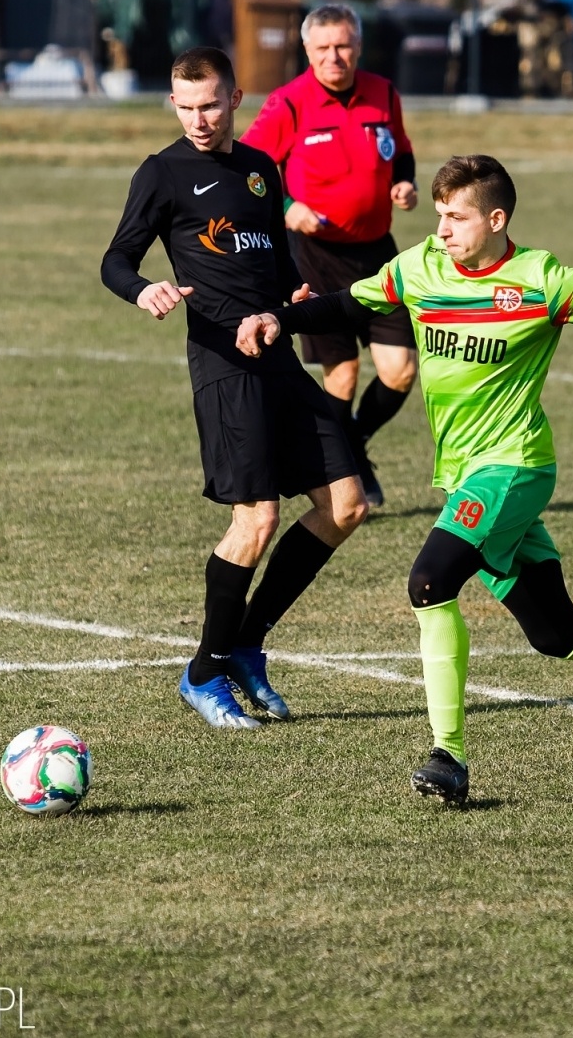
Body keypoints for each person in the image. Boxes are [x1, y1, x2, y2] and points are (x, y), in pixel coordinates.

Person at [235, 154, 573, 802]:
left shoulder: (544, 280)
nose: (442, 229)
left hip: (515, 467)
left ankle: (448, 756)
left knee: (429, 580)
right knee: (556, 632)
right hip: (465, 477)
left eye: (457, 217)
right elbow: (348, 304)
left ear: (496, 219)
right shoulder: (419, 269)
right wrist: (280, 318)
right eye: (438, 215)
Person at [101, 46, 367, 730]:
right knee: (256, 521)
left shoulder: (258, 169)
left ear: (236, 99)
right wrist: (144, 289)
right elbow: (115, 258)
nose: (199, 119)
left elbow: (275, 262)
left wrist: (291, 295)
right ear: (172, 105)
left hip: (277, 357)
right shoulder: (162, 173)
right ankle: (203, 672)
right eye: (186, 107)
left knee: (346, 505)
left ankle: (246, 642)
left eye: (210, 105)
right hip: (223, 366)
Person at [240, 4, 419, 507]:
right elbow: (249, 173)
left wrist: (404, 182)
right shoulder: (288, 103)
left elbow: (400, 150)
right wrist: (286, 207)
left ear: (358, 46)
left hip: (379, 256)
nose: (334, 57)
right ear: (308, 52)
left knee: (400, 370)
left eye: (343, 46)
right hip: (315, 260)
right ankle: (346, 474)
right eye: (323, 49)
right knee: (342, 374)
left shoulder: (383, 93)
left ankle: (355, 444)